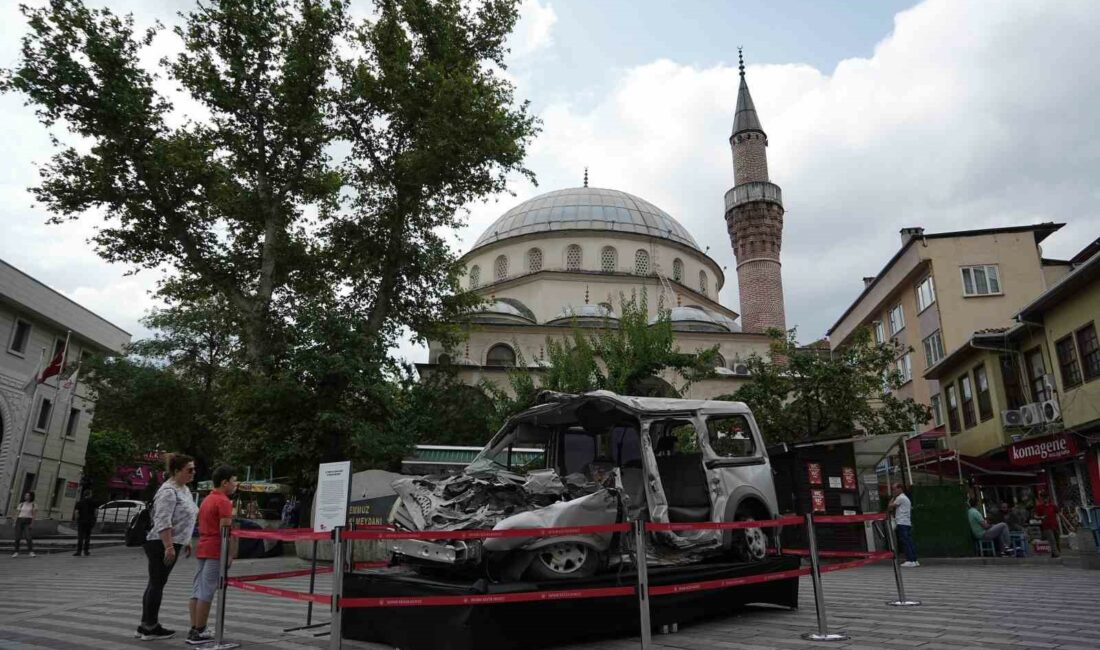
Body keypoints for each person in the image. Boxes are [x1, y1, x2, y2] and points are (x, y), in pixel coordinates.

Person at [137, 453, 198, 641]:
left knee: (156, 582)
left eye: (194, 469)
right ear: (177, 471)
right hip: (160, 543)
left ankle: (146, 624)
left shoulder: (184, 489)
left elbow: (185, 518)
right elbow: (162, 520)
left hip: (174, 541)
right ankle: (150, 627)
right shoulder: (168, 491)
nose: (193, 473)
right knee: (157, 583)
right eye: (189, 469)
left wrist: (185, 541)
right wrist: (169, 546)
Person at [187, 465, 238, 645]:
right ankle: (200, 630)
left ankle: (194, 627)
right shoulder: (223, 501)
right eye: (233, 480)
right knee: (207, 590)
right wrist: (230, 553)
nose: (235, 484)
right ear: (224, 483)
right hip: (216, 549)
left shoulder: (207, 499)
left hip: (202, 546)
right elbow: (225, 530)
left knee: (198, 588)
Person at [888, 482, 918, 567]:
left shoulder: (900, 498)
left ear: (899, 489)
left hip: (902, 522)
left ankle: (910, 560)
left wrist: (893, 497)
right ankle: (914, 559)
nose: (893, 491)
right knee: (909, 541)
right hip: (906, 522)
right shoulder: (905, 498)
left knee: (905, 541)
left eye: (894, 489)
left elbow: (890, 506)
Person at [1033, 492, 1060, 558]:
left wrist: (1068, 524)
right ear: (1041, 499)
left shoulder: (1053, 506)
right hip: (1047, 527)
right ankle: (1056, 554)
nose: (1044, 499)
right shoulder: (1039, 507)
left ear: (1048, 498)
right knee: (1052, 540)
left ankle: (1054, 553)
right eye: (1043, 498)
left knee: (1057, 540)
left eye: (1046, 498)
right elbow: (1035, 516)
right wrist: (1040, 517)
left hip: (1055, 525)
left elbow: (1059, 514)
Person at [73, 489, 99, 556]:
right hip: (90, 521)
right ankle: (86, 551)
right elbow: (96, 512)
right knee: (87, 536)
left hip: (81, 521)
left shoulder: (79, 502)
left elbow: (76, 512)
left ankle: (78, 551)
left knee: (80, 536)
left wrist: (76, 520)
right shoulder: (94, 502)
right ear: (90, 494)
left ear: (84, 494)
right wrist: (94, 519)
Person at [12, 491, 37, 558]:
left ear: (31, 496)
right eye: (25, 495)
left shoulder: (33, 504)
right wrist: (14, 522)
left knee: (28, 537)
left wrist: (32, 523)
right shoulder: (21, 504)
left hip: (28, 521)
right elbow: (17, 513)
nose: (26, 496)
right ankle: (16, 552)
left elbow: (34, 515)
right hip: (19, 520)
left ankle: (31, 552)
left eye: (27, 495)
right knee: (17, 537)